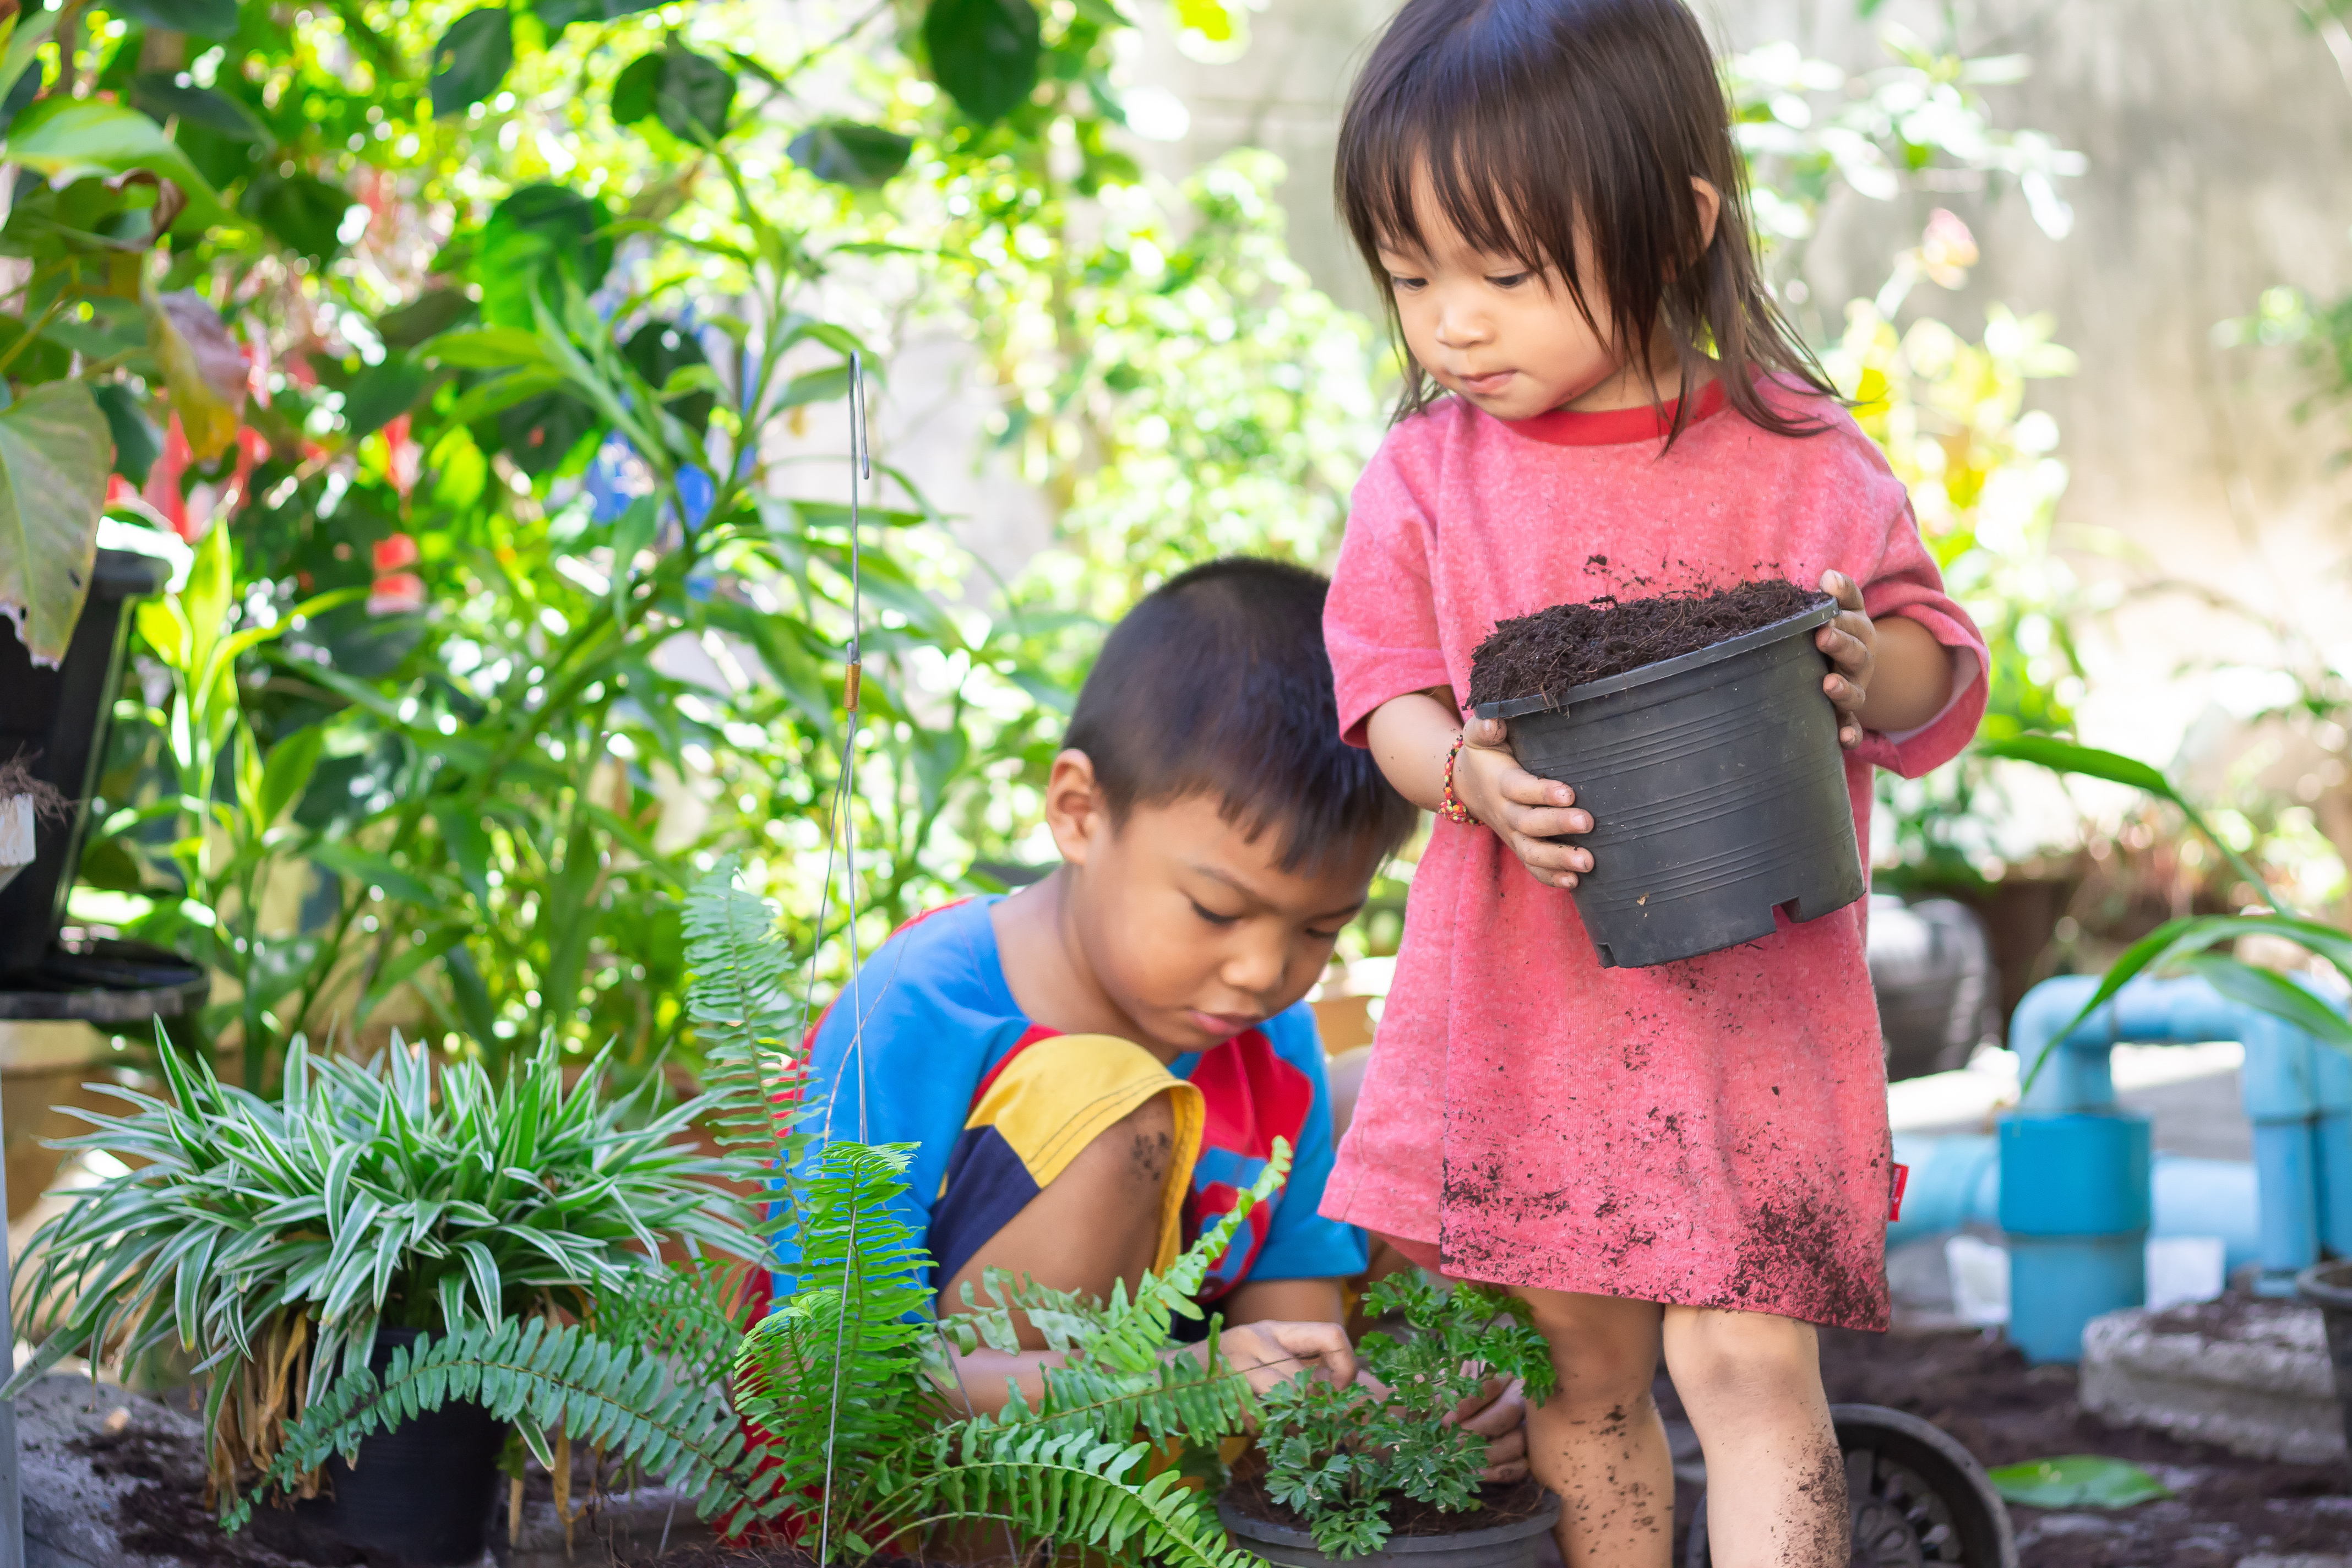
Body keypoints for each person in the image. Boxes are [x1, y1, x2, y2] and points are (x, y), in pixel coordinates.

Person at [1316, 3, 1990, 1565]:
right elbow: (1383, 696)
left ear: (1676, 226)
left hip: (1759, 1003)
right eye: (1413, 279)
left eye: (1503, 273)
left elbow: (1934, 661)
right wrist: (1466, 774)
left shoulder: (1799, 452)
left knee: (1750, 1358)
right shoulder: (1432, 477)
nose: (1453, 327)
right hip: (1540, 1007)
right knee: (1588, 1367)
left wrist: (1855, 661)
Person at [792, 558, 1523, 1472]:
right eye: (1217, 911)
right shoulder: (922, 1005)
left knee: (1406, 1094)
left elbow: (1293, 1351)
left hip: (1161, 1477)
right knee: (1117, 1107)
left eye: (1319, 929)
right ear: (1079, 812)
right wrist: (1177, 1381)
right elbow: (829, 1374)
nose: (1262, 972)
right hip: (922, 1496)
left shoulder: (1270, 1042)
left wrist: (1391, 1426)